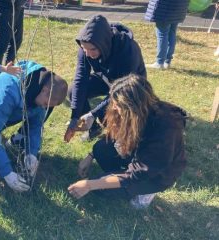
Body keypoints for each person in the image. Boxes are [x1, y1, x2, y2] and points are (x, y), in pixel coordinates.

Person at [68, 74, 187, 209]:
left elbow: (139, 172)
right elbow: (114, 136)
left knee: (101, 188)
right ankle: (120, 178)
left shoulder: (165, 127)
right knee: (100, 149)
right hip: (137, 154)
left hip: (156, 174)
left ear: (132, 108)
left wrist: (90, 184)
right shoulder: (137, 114)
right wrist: (90, 156)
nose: (114, 108)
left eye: (118, 105)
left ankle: (146, 191)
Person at [0, 60, 68, 192]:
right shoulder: (7, 92)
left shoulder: (39, 90)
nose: (44, 108)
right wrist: (7, 173)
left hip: (10, 113)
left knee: (33, 117)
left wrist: (32, 153)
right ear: (45, 90)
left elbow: (36, 126)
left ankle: (14, 141)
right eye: (45, 103)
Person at [64, 15, 146, 143]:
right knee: (72, 90)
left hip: (130, 85)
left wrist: (94, 113)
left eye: (93, 49)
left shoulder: (127, 50)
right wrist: (75, 117)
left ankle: (105, 126)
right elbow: (81, 79)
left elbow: (122, 90)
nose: (88, 54)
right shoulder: (85, 47)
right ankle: (93, 127)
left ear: (104, 43)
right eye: (84, 49)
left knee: (109, 117)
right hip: (106, 79)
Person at [144, 0, 189, 69]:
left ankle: (160, 62)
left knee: (162, 34)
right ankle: (167, 61)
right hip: (180, 6)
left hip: (165, 7)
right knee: (172, 32)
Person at [0, 0, 25, 65]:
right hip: (3, 6)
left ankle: (9, 70)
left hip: (18, 6)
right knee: (2, 42)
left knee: (16, 41)